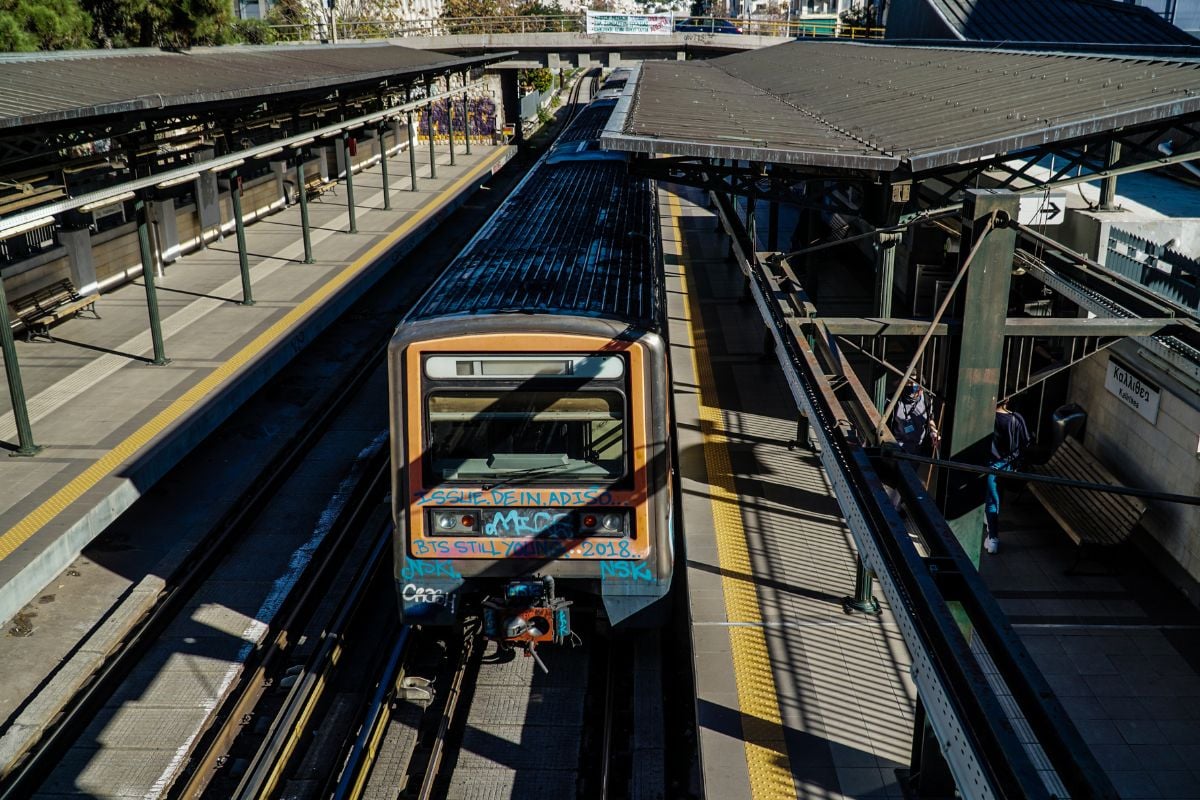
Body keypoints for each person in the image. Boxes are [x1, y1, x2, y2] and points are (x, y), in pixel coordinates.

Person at [984, 399, 1032, 554]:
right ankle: (991, 529)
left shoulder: (985, 418)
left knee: (992, 502)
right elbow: (1027, 442)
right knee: (996, 499)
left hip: (991, 466)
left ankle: (993, 537)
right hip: (1009, 466)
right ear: (1008, 400)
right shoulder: (1017, 418)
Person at [889, 376, 939, 457]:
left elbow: (930, 419)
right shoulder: (892, 400)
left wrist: (933, 431)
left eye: (915, 382)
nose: (912, 385)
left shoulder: (927, 399)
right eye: (908, 382)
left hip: (918, 448)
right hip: (897, 447)